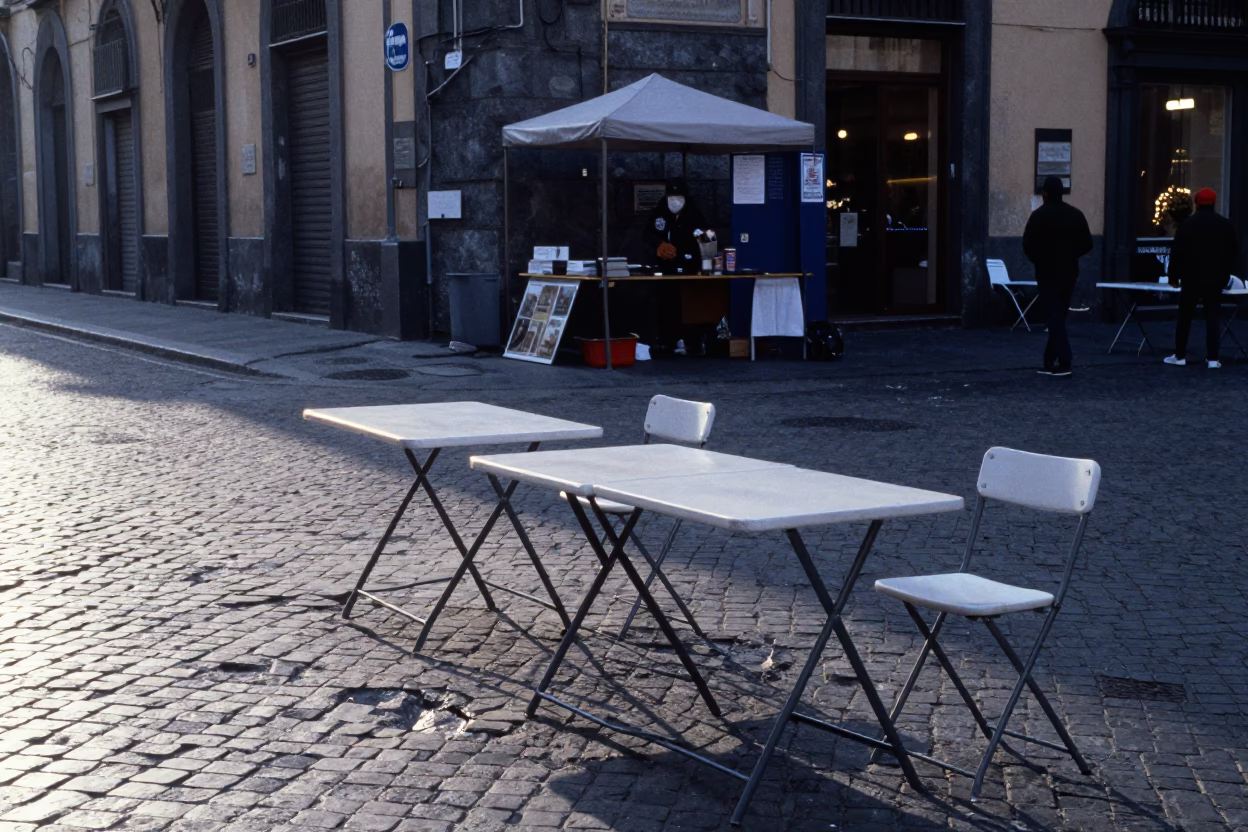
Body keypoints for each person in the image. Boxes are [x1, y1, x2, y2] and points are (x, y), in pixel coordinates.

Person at [1023, 175, 1093, 377]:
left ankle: (1064, 360)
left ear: (1045, 193)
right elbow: (1088, 243)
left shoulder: (1038, 216)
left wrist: (1038, 259)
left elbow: (1027, 244)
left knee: (1054, 315)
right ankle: (1049, 360)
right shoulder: (1075, 215)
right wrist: (1071, 254)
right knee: (1059, 314)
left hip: (1046, 271)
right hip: (1069, 270)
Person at [1164, 188, 1239, 370]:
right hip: (1215, 279)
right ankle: (1213, 358)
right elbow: (1233, 253)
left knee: (1185, 316)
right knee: (1213, 317)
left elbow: (1177, 253)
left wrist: (1173, 277)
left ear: (1197, 203)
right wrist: (1226, 275)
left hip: (1191, 278)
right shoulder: (1225, 224)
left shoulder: (1187, 225)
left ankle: (1180, 355)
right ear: (1214, 203)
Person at [643, 180, 706, 274]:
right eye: (671, 199)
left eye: (679, 198)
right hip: (663, 269)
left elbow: (704, 239)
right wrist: (659, 245)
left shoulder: (695, 216)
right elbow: (647, 236)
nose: (675, 202)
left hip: (690, 268)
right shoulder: (658, 214)